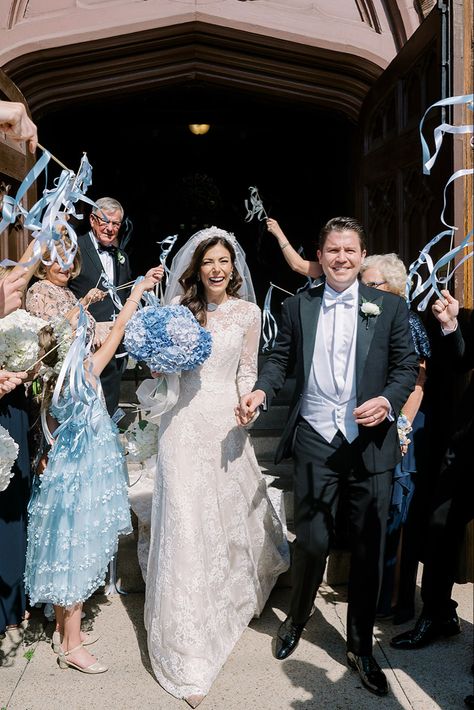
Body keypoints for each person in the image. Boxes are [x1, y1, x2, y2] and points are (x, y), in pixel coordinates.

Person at [238, 217, 419, 697]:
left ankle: (359, 645)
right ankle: (297, 618)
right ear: (320, 254)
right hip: (317, 438)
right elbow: (278, 359)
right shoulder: (300, 307)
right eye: (333, 250)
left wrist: (387, 401)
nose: (341, 258)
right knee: (313, 540)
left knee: (367, 547)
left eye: (350, 250)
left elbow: (405, 368)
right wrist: (260, 390)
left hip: (370, 443)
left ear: (362, 255)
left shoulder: (389, 307)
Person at [144, 227, 289, 708]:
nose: (217, 268)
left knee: (222, 523)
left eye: (224, 260)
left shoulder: (249, 313)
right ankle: (187, 649)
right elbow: (159, 372)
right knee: (185, 527)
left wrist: (250, 402)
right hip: (181, 430)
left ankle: (226, 601)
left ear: (234, 267)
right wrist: (158, 363)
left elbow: (247, 369)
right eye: (208, 261)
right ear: (196, 268)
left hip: (225, 425)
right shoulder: (179, 313)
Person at [24, 272, 162, 674]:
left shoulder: (54, 379)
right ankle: (70, 644)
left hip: (79, 474)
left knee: (75, 553)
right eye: (83, 333)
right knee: (76, 554)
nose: (91, 337)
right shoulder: (81, 375)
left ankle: (70, 631)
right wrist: (135, 293)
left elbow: (48, 427)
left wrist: (132, 293)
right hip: (80, 478)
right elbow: (118, 327)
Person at [391, 289, 473, 651]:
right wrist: (453, 325)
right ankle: (437, 614)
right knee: (440, 525)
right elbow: (463, 361)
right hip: (469, 443)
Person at [360, 254, 431, 624]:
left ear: (394, 288)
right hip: (374, 422)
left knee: (398, 514)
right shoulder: (367, 320)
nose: (367, 291)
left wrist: (402, 426)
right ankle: (376, 594)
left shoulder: (407, 320)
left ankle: (396, 599)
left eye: (375, 284)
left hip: (403, 425)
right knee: (377, 510)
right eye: (364, 284)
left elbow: (418, 383)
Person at [69, 197, 162, 416]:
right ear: (92, 220)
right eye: (106, 222)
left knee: (108, 408)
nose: (111, 229)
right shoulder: (75, 248)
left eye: (116, 224)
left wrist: (144, 281)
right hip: (84, 345)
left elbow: (123, 295)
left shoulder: (122, 257)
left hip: (115, 344)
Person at [26, 237, 105, 346]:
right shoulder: (39, 290)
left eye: (69, 261)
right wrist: (85, 302)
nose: (66, 267)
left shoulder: (68, 292)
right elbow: (48, 334)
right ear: (45, 265)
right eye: (59, 261)